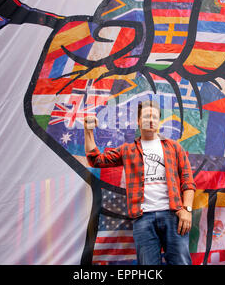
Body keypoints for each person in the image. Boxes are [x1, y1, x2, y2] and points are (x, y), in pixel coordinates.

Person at [84, 100, 196, 265]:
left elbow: (188, 180)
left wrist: (187, 210)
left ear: (159, 121)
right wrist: (88, 131)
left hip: (173, 215)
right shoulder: (128, 150)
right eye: (146, 116)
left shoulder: (174, 147)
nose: (151, 120)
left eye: (155, 117)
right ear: (138, 121)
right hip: (143, 218)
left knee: (181, 263)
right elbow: (96, 160)